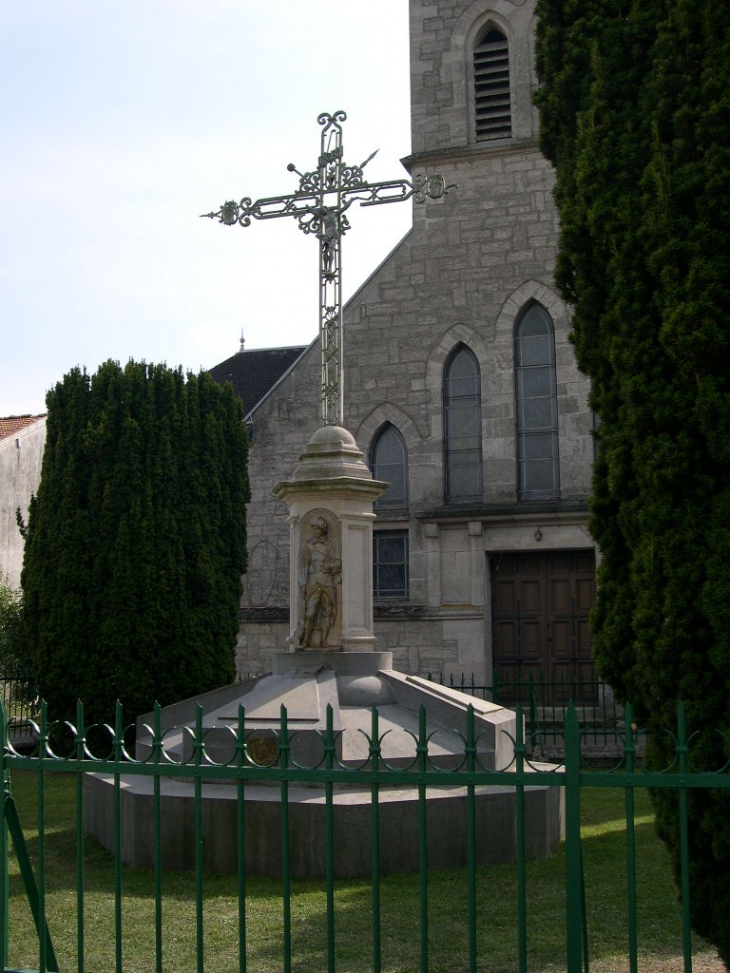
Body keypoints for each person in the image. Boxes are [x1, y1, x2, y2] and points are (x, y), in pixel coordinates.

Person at [298, 515, 341, 648]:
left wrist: (330, 566)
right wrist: (303, 584)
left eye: (318, 528)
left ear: (323, 530)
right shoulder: (308, 546)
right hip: (313, 581)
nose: (315, 530)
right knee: (310, 613)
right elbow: (302, 566)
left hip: (327, 581)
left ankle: (323, 641)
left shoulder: (330, 545)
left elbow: (337, 562)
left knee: (327, 611)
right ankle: (306, 640)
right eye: (313, 528)